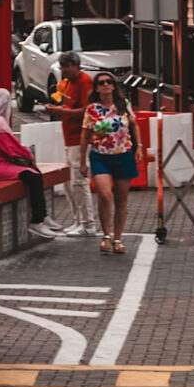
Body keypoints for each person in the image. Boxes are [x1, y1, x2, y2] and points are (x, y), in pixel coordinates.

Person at [0, 88, 55, 239]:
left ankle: (42, 214)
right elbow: (12, 148)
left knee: (34, 174)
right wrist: (28, 155)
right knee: (33, 175)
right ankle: (38, 220)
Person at [80, 72, 139, 253]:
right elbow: (85, 135)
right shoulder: (92, 109)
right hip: (100, 156)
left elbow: (134, 125)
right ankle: (106, 235)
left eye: (109, 82)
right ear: (96, 88)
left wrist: (140, 147)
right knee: (105, 195)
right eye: (101, 83)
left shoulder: (124, 105)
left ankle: (118, 238)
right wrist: (82, 161)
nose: (105, 85)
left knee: (122, 200)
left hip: (123, 155)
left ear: (114, 85)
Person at [45, 50, 95, 236]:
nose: (64, 70)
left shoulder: (85, 82)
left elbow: (87, 111)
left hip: (80, 138)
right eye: (62, 67)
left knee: (79, 181)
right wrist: (61, 110)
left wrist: (62, 112)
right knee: (70, 182)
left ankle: (87, 223)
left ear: (76, 65)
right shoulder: (68, 84)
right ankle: (78, 220)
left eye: (66, 67)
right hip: (70, 138)